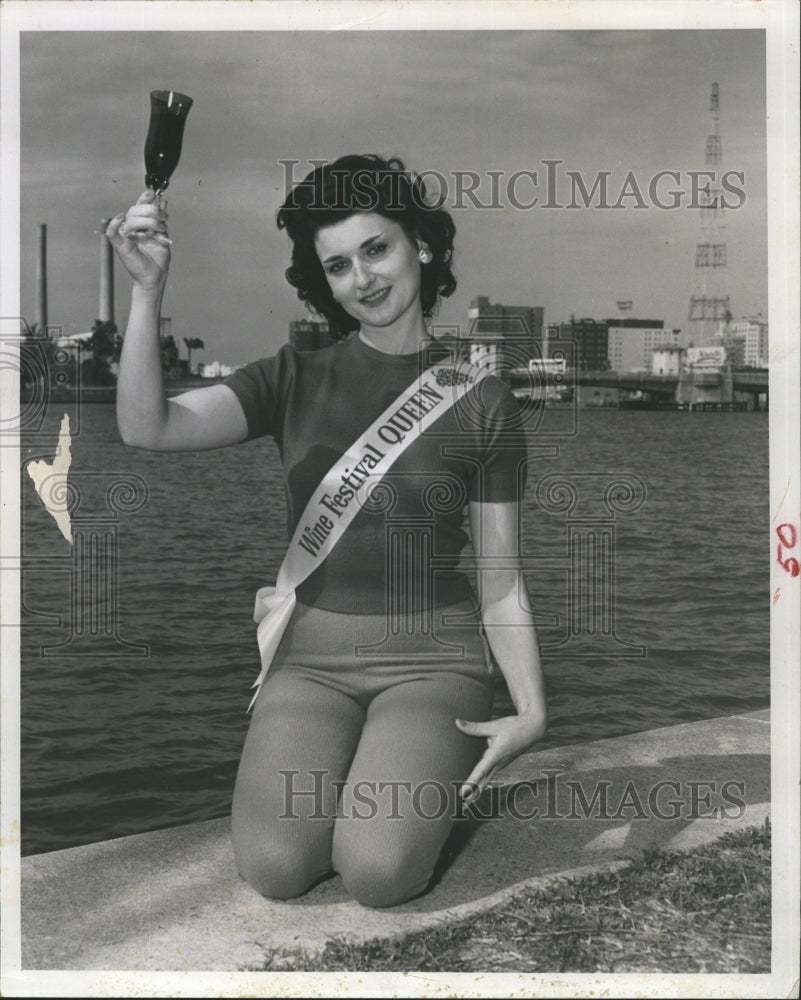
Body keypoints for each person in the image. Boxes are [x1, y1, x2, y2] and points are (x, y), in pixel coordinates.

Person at [106, 154, 547, 909]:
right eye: (338, 265)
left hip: (431, 663)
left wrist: (532, 710)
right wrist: (147, 292)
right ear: (325, 282)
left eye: (376, 249)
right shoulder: (293, 376)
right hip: (308, 662)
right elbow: (147, 427)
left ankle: (417, 779)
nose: (362, 279)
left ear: (421, 246)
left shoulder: (483, 400)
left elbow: (500, 578)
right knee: (276, 868)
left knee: (377, 872)